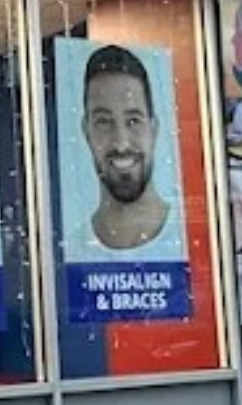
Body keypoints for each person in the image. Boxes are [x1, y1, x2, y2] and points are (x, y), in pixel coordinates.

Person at [74, 45, 183, 258]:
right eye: (104, 122)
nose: (121, 143)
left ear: (154, 129)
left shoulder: (187, 239)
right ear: (87, 132)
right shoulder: (73, 251)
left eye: (133, 121)